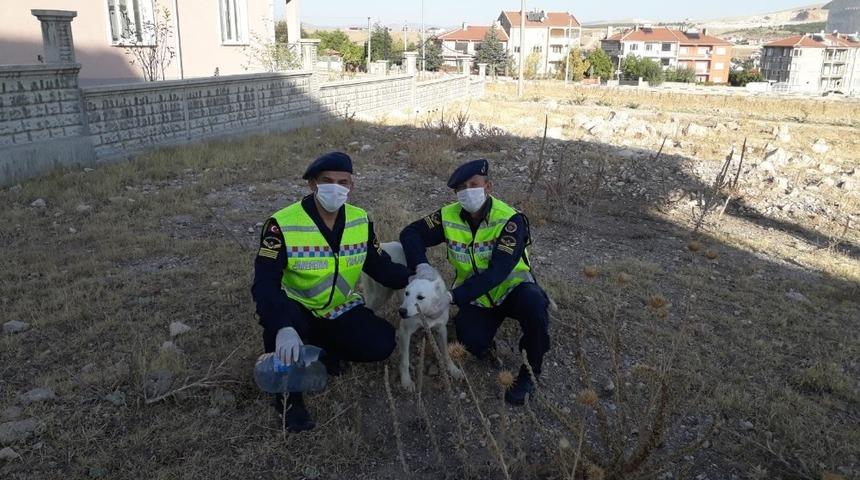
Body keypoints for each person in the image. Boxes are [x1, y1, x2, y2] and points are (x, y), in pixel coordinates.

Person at [252, 151, 410, 431]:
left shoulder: (361, 221)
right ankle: (288, 398)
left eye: (343, 182)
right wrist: (281, 326)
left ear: (351, 186)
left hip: (339, 308)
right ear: (312, 184)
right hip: (297, 308)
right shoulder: (282, 224)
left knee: (382, 342)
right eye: (327, 181)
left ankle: (324, 352)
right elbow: (265, 284)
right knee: (281, 331)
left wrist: (414, 277)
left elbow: (378, 266)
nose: (335, 188)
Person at [399, 159, 551, 405]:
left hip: (513, 291)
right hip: (478, 298)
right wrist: (421, 264)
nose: (467, 191)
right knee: (470, 343)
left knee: (534, 306)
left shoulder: (511, 220)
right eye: (461, 188)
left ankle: (530, 372)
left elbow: (497, 271)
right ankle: (487, 345)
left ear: (487, 187)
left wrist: (451, 297)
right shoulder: (447, 216)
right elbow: (410, 233)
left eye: (474, 185)